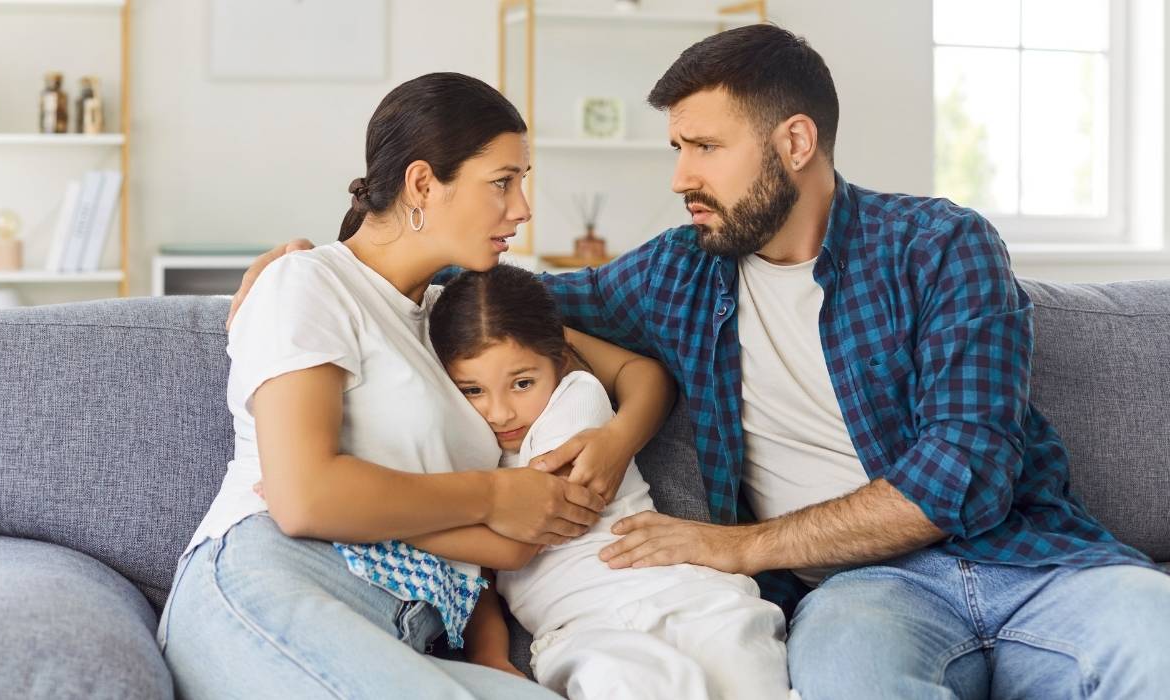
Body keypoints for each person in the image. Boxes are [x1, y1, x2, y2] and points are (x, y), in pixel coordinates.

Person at [237, 24, 1170, 698]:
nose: (679, 175)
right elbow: (493, 298)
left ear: (794, 142)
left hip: (1041, 564)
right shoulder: (680, 273)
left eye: (705, 148)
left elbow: (963, 475)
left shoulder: (938, 246)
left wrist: (740, 548)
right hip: (864, 595)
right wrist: (315, 263)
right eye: (676, 147)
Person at [159, 72, 677, 699]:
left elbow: (638, 374)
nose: (522, 208)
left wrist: (616, 441)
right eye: (502, 182)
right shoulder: (307, 284)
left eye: (522, 182)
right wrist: (494, 495)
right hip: (278, 582)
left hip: (412, 621)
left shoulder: (454, 319)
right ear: (424, 184)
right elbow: (303, 500)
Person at [427, 264, 792, 700]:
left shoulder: (577, 397)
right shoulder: (462, 452)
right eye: (473, 391)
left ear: (558, 364)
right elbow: (477, 576)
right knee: (623, 682)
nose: (500, 412)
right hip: (582, 628)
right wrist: (491, 657)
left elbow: (523, 536)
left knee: (744, 665)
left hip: (675, 591)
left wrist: (392, 522)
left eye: (522, 384)